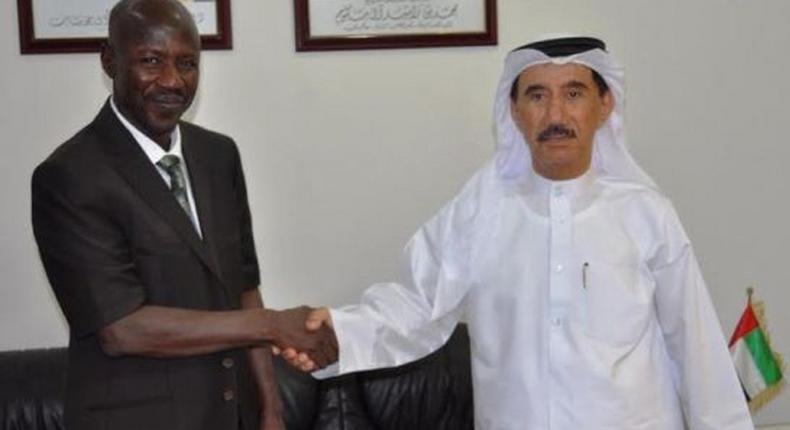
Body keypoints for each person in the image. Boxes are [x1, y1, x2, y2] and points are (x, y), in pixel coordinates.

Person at [284, 36, 754, 429]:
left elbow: (696, 349)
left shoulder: (647, 214)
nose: (555, 115)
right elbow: (416, 305)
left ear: (604, 104)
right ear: (513, 110)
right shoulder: (481, 212)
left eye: (573, 93)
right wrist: (337, 330)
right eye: (536, 95)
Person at [30, 1, 336, 429]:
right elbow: (122, 328)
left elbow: (244, 286)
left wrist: (270, 409)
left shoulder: (218, 155)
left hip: (234, 415)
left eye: (188, 63)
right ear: (109, 60)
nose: (172, 80)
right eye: (151, 61)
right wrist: (272, 326)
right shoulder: (70, 177)